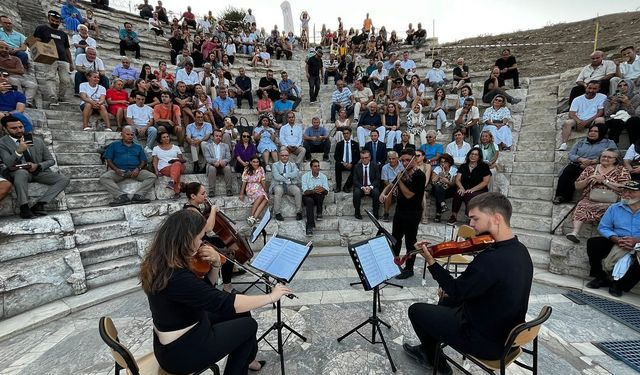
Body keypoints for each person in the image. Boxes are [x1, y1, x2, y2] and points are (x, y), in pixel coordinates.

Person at [139, 209, 283, 374]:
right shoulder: (177, 277)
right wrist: (271, 297)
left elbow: (205, 290)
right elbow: (224, 303)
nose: (202, 243)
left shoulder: (161, 261)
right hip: (181, 352)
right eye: (200, 238)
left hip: (183, 330)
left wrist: (215, 264)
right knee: (249, 325)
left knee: (243, 314)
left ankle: (247, 359)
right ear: (187, 239)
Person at [405, 192, 533, 373]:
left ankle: (438, 363)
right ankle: (429, 349)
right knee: (446, 301)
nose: (471, 224)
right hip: (505, 333)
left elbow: (456, 291)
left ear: (496, 218)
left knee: (416, 310)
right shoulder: (520, 250)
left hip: (485, 341)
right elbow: (486, 287)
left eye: (475, 218)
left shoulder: (491, 260)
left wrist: (432, 262)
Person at [0, 115, 70, 218]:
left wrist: (38, 165)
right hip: (18, 172)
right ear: (5, 129)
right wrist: (19, 151)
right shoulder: (2, 143)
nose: (19, 130)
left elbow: (51, 160)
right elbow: (8, 163)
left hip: (37, 171)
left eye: (20, 127)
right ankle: (24, 208)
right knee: (21, 173)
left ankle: (40, 204)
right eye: (14, 128)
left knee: (64, 179)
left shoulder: (37, 141)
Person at [585, 180, 640, 297]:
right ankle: (601, 277)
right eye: (625, 190)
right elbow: (604, 227)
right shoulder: (615, 208)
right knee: (594, 243)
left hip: (638, 242)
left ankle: (620, 285)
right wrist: (616, 239)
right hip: (618, 240)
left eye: (631, 192)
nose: (626, 194)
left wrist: (636, 240)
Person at [565, 148, 630, 244]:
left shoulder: (622, 170)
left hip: (613, 200)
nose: (606, 158)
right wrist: (589, 179)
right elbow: (577, 186)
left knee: (613, 209)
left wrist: (605, 181)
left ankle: (610, 236)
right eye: (604, 156)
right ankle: (574, 232)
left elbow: (625, 187)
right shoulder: (591, 169)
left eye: (609, 157)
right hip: (591, 198)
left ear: (615, 160)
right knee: (582, 205)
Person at [378, 149, 425, 279]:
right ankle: (394, 263)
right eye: (402, 160)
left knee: (410, 241)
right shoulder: (402, 173)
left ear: (414, 160)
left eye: (407, 160)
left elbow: (409, 195)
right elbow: (391, 185)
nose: (404, 163)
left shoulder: (420, 175)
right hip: (400, 211)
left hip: (413, 212)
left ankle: (409, 269)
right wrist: (383, 193)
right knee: (396, 239)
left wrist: (400, 181)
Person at [553, 124, 616, 204]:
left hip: (597, 166)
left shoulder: (608, 143)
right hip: (579, 164)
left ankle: (590, 199)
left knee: (592, 175)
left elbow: (613, 154)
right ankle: (561, 196)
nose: (592, 133)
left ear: (602, 132)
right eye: (591, 131)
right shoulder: (581, 142)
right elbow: (571, 154)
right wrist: (580, 159)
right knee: (568, 171)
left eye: (595, 131)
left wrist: (597, 160)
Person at [100, 126, 156, 206]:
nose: (130, 136)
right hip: (119, 171)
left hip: (135, 171)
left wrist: (138, 168)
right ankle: (121, 196)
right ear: (122, 135)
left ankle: (138, 196)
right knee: (104, 178)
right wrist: (116, 170)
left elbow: (143, 161)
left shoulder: (138, 147)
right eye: (128, 134)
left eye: (132, 135)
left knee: (152, 176)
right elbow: (108, 159)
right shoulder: (114, 145)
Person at [33, 11, 74, 105]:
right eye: (53, 20)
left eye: (57, 21)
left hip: (63, 59)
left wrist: (71, 62)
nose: (55, 22)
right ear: (48, 19)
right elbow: (36, 42)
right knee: (50, 77)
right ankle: (52, 97)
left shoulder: (63, 34)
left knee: (65, 80)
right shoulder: (41, 28)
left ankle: (61, 96)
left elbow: (67, 49)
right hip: (49, 57)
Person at [559, 80, 607, 151]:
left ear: (598, 89)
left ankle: (599, 143)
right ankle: (564, 144)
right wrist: (579, 122)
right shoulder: (577, 99)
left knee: (600, 120)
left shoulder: (602, 97)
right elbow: (572, 114)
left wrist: (586, 122)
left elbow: (600, 112)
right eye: (589, 88)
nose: (591, 90)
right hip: (578, 119)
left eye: (594, 89)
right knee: (567, 122)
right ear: (586, 87)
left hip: (592, 120)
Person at [448, 148, 491, 224]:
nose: (473, 156)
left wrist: (472, 189)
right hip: (465, 188)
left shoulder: (484, 166)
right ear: (468, 155)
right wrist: (461, 188)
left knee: (468, 194)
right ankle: (453, 216)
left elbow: (485, 182)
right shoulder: (463, 166)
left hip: (479, 190)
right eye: (472, 154)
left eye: (475, 154)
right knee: (458, 193)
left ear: (479, 157)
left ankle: (470, 217)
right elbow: (457, 179)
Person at [603, 79, 640, 144]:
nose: (622, 87)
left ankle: (635, 147)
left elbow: (635, 114)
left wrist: (627, 103)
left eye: (625, 85)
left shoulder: (636, 97)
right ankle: (612, 146)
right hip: (615, 120)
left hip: (630, 119)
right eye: (620, 86)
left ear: (630, 86)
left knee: (634, 120)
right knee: (617, 122)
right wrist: (614, 104)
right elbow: (606, 114)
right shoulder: (610, 98)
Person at [271, 149, 303, 221]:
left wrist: (284, 175)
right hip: (278, 184)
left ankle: (299, 212)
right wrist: (288, 177)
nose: (284, 157)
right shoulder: (275, 165)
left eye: (286, 155)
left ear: (288, 156)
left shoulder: (293, 165)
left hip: (290, 185)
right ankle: (277, 213)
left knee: (297, 191)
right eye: (282, 156)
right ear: (279, 156)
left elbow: (295, 174)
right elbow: (276, 176)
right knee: (278, 191)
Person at [152, 130, 185, 198]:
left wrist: (174, 160)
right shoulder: (156, 148)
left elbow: (181, 160)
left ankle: (172, 182)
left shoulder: (176, 147)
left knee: (177, 164)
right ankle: (177, 192)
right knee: (176, 172)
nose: (166, 138)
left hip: (178, 165)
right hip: (165, 168)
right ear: (160, 140)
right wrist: (156, 171)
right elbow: (155, 161)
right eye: (164, 137)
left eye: (167, 136)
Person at [302, 159, 329, 235]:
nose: (317, 168)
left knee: (320, 193)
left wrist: (322, 189)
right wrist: (313, 190)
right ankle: (310, 226)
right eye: (315, 166)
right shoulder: (305, 176)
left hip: (318, 197)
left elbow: (326, 191)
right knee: (309, 200)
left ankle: (319, 212)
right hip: (307, 196)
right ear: (311, 167)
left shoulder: (323, 176)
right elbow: (305, 192)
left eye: (318, 166)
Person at [202, 129, 233, 197]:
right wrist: (215, 161)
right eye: (216, 136)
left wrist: (224, 161)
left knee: (227, 168)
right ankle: (211, 190)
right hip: (212, 165)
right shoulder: (207, 146)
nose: (218, 137)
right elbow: (207, 158)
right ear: (212, 137)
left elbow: (228, 157)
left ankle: (229, 189)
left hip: (223, 165)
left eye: (220, 136)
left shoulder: (225, 146)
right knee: (212, 169)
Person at [240, 156, 269, 226]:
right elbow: (244, 182)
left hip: (259, 186)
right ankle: (252, 216)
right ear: (250, 162)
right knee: (262, 195)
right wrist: (241, 194)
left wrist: (265, 191)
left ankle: (253, 218)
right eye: (254, 162)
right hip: (250, 187)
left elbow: (262, 180)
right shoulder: (247, 169)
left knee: (265, 199)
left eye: (257, 162)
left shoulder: (261, 169)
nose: (256, 164)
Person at [353, 149, 380, 219]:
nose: (364, 159)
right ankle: (357, 212)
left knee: (376, 193)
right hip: (361, 187)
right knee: (356, 193)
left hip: (371, 186)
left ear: (370, 157)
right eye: (362, 158)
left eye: (366, 158)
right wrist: (362, 187)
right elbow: (355, 180)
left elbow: (377, 179)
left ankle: (376, 213)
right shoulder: (356, 167)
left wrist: (370, 187)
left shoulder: (375, 166)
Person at [430, 153, 457, 223]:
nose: (443, 163)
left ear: (449, 162)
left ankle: (438, 213)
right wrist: (439, 174)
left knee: (439, 193)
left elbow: (453, 184)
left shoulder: (453, 170)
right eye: (441, 162)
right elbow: (433, 181)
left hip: (449, 190)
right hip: (438, 188)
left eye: (445, 162)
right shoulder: (437, 168)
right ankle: (443, 204)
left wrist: (447, 181)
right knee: (438, 188)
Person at [380, 151, 404, 222]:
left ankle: (401, 214)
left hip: (400, 186)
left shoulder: (402, 166)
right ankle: (386, 213)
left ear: (397, 158)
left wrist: (397, 188)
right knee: (388, 194)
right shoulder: (385, 167)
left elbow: (403, 180)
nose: (391, 160)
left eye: (393, 158)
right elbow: (385, 181)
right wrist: (393, 189)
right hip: (389, 186)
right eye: (389, 159)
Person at [334, 128, 360, 193]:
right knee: (337, 165)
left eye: (347, 133)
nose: (346, 135)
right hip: (342, 163)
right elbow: (336, 156)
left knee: (356, 168)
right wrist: (343, 163)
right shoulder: (339, 144)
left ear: (350, 134)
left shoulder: (355, 144)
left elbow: (358, 156)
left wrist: (351, 163)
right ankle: (338, 187)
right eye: (344, 133)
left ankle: (347, 186)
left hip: (352, 164)